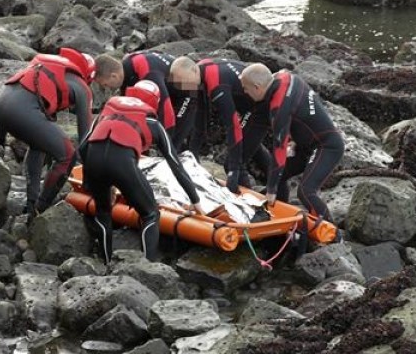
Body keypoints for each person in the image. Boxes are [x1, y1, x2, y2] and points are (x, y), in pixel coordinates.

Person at [80, 80, 205, 264]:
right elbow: (175, 164)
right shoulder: (152, 123)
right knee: (150, 214)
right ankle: (147, 267)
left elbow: (83, 147)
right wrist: (195, 200)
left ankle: (106, 262)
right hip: (122, 164)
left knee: (103, 212)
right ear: (154, 102)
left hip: (93, 161)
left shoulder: (107, 112)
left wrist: (89, 181)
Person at [0, 48, 95, 219]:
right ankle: (40, 209)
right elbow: (85, 140)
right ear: (88, 75)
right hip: (21, 113)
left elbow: (16, 94)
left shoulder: (43, 67)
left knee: (39, 144)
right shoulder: (82, 87)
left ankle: (31, 204)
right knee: (68, 155)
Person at [239, 63, 344, 226]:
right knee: (279, 176)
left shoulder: (279, 106)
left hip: (326, 147)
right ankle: (280, 219)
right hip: (305, 146)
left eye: (245, 88)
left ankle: (333, 236)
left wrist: (271, 190)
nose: (244, 92)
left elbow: (278, 150)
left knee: (305, 191)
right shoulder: (284, 76)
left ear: (257, 87)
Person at [167, 56, 272, 193]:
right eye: (180, 84)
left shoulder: (216, 84)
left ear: (193, 70)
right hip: (249, 105)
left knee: (233, 163)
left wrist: (233, 171)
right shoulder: (199, 73)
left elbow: (232, 125)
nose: (184, 88)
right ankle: (274, 189)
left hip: (260, 107)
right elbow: (201, 115)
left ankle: (248, 201)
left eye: (185, 82)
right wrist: (193, 154)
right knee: (250, 143)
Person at [119, 50, 191, 141]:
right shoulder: (127, 64)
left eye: (105, 84)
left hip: (187, 90)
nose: (107, 88)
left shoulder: (150, 74)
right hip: (167, 75)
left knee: (175, 139)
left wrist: (166, 142)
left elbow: (166, 111)